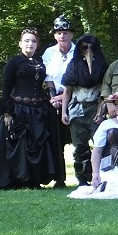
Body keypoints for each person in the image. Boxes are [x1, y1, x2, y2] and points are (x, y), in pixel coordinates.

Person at [0, 28, 64, 190]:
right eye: (26, 40)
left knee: (39, 144)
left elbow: (48, 82)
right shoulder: (13, 63)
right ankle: (21, 180)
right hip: (19, 110)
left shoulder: (40, 62)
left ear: (37, 44)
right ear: (20, 43)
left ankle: (35, 179)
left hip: (39, 109)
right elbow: (6, 88)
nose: (30, 44)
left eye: (33, 41)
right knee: (21, 144)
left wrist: (52, 97)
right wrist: (7, 112)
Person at [60, 33, 107, 186]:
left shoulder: (101, 64)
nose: (88, 50)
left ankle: (103, 176)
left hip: (95, 107)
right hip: (77, 109)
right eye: (85, 47)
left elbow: (105, 92)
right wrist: (64, 112)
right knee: (80, 146)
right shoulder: (73, 64)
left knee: (101, 143)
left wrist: (101, 112)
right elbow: (67, 91)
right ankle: (81, 179)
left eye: (91, 47)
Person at [42, 15, 75, 185]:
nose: (62, 36)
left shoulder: (78, 52)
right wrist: (53, 98)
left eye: (65, 32)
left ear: (71, 34)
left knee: (79, 140)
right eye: (59, 33)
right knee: (57, 142)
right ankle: (60, 178)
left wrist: (64, 97)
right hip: (54, 99)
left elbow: (80, 78)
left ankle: (87, 178)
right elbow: (48, 77)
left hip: (75, 99)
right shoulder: (49, 53)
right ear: (55, 35)